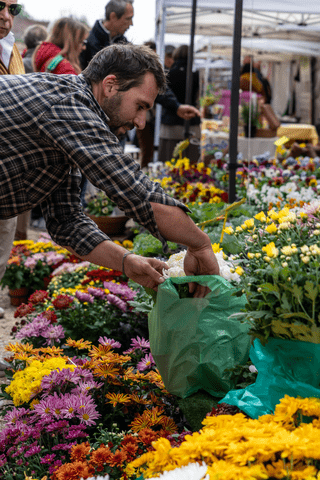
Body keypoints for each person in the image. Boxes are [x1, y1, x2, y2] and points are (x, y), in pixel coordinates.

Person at [0, 43, 219, 298]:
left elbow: (66, 221)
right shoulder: (70, 107)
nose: (140, 122)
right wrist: (201, 244)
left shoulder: (71, 113)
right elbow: (137, 192)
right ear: (110, 85)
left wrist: (127, 262)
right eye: (140, 106)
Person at [0, 0, 25, 319]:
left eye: (12, 9)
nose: (6, 17)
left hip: (7, 170)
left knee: (2, 249)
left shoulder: (12, 50)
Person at [158, 44, 201, 164]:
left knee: (169, 163)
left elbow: (161, 95)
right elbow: (198, 98)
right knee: (191, 165)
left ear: (175, 56)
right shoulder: (196, 75)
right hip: (192, 122)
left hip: (170, 124)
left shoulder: (167, 74)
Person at [80, 0, 133, 71]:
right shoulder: (86, 43)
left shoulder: (126, 45)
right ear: (113, 16)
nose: (131, 23)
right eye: (128, 18)